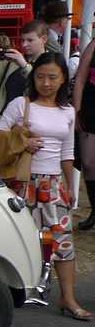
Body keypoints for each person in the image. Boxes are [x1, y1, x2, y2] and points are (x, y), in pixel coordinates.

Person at [0, 52, 89, 320]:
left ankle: (67, 297)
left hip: (54, 183)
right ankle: (13, 292)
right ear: (33, 77)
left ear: (63, 80)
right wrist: (23, 142)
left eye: (52, 78)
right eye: (40, 77)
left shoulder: (68, 111)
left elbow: (67, 152)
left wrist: (70, 187)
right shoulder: (20, 104)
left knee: (63, 241)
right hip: (22, 182)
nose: (46, 83)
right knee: (20, 238)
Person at [0, 20, 50, 136]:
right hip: (3, 128)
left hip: (32, 131)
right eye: (22, 40)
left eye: (30, 40)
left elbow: (43, 91)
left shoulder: (52, 64)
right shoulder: (12, 63)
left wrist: (25, 66)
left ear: (43, 40)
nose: (24, 45)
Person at [68, 34, 95, 230]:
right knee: (88, 163)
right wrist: (77, 111)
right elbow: (80, 80)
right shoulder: (94, 44)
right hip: (91, 107)